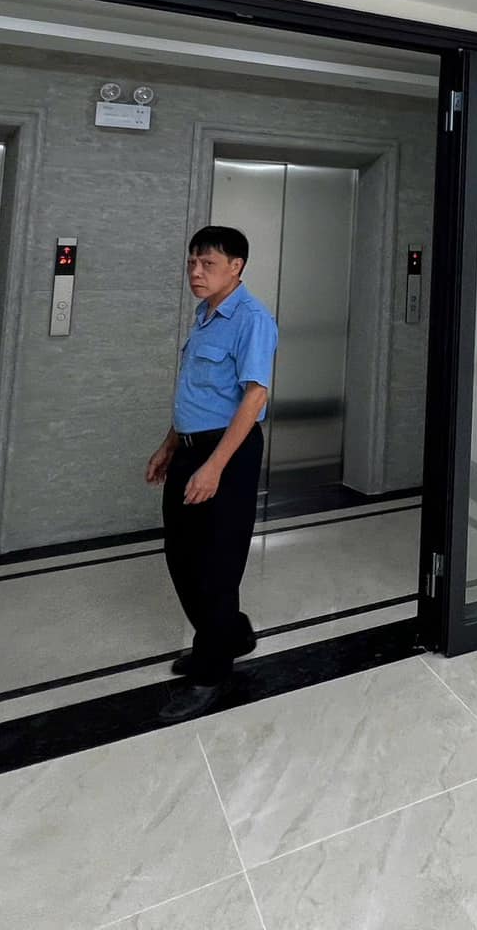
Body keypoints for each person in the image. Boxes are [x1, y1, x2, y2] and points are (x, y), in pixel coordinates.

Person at [146, 224, 277, 720]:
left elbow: (255, 396)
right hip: (190, 447)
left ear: (236, 267)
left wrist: (214, 466)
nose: (196, 273)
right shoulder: (204, 315)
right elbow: (196, 389)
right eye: (192, 263)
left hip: (229, 453)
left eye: (208, 264)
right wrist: (170, 443)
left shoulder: (253, 319)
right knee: (181, 553)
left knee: (217, 561)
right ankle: (229, 632)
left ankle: (212, 667)